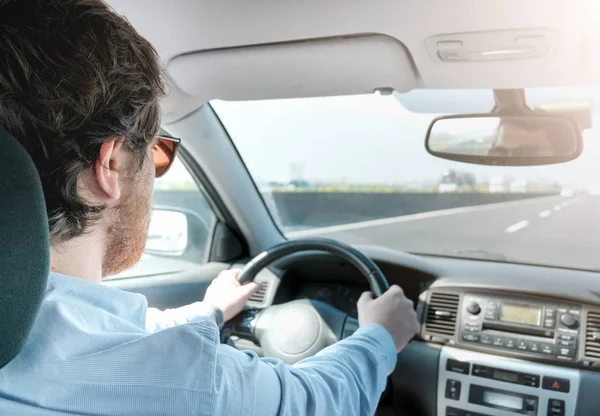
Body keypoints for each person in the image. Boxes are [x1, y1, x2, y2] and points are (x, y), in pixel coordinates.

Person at [0, 1, 420, 415]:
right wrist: (380, 336)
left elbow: (88, 339)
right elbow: (318, 401)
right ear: (110, 164)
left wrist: (209, 311)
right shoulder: (187, 381)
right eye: (156, 154)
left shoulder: (18, 322)